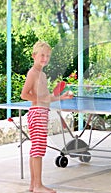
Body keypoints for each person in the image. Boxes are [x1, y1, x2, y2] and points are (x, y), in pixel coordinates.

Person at [21, 40, 74, 193]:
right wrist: (41, 100)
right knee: (38, 150)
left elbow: (46, 97)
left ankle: (33, 185)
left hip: (42, 113)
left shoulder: (42, 74)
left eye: (48, 56)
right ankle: (38, 186)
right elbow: (24, 94)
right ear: (34, 56)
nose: (45, 58)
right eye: (42, 55)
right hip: (37, 113)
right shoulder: (33, 73)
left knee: (36, 150)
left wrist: (62, 98)